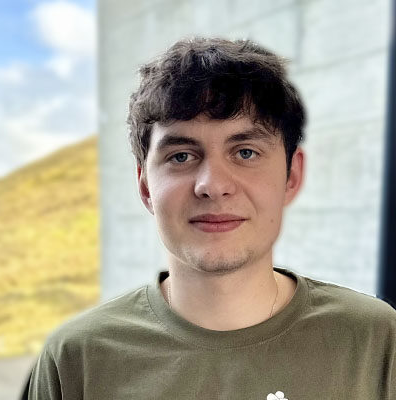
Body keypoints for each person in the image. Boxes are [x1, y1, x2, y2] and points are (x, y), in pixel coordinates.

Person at [29, 37, 396, 400]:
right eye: (181, 156)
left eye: (246, 152)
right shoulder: (76, 359)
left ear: (291, 176)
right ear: (145, 187)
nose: (213, 185)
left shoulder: (378, 342)